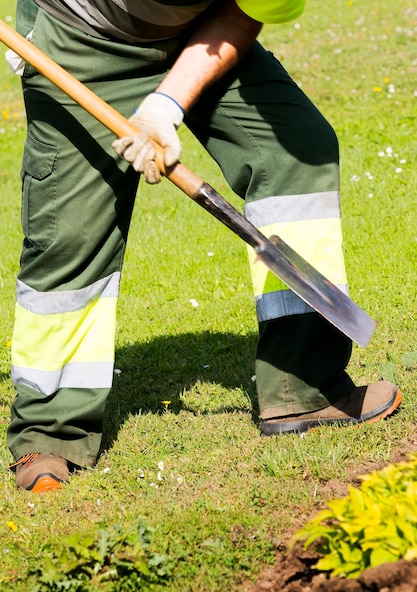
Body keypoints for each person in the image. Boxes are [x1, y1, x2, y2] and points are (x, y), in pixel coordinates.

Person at [6, 0, 402, 492]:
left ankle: (302, 385)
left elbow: (242, 12)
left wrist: (165, 106)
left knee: (296, 153)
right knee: (72, 231)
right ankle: (49, 430)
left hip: (202, 27)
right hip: (83, 36)